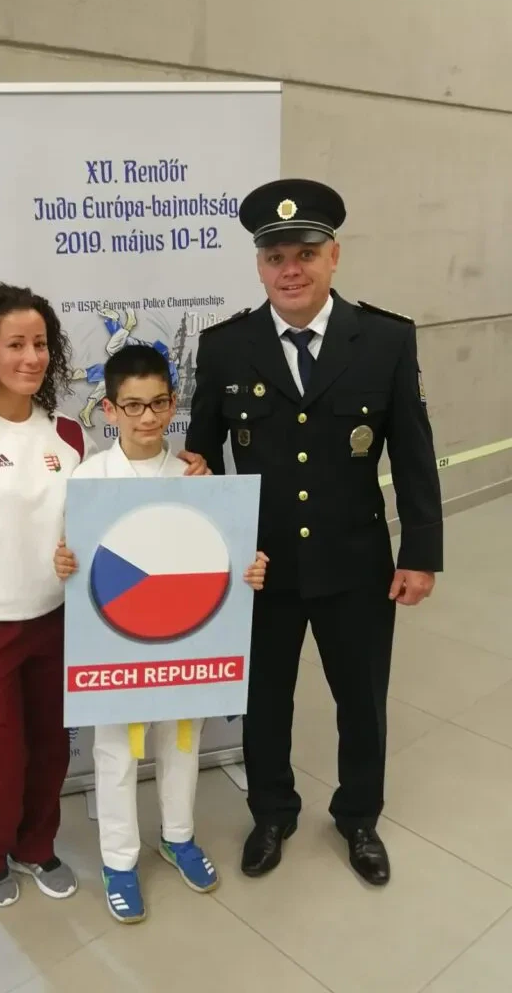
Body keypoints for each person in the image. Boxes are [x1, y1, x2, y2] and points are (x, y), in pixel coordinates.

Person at [0, 283, 209, 909]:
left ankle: (36, 847)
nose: (31, 357)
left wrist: (190, 475)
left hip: (58, 622)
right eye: (15, 344)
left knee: (50, 751)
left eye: (40, 344)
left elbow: (112, 514)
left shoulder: (67, 434)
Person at [185, 179, 443, 887]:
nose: (290, 270)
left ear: (334, 256)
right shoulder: (227, 347)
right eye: (275, 258)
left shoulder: (384, 339)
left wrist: (421, 553)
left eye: (304, 253)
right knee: (265, 700)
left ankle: (358, 815)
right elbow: (201, 458)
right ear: (259, 266)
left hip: (356, 561)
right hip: (260, 565)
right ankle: (272, 811)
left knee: (361, 699)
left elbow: (413, 453)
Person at [54, 344, 268, 923]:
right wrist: (63, 563)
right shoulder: (87, 480)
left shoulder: (195, 477)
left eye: (157, 404)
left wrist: (249, 569)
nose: (147, 417)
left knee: (181, 742)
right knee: (116, 753)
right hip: (117, 640)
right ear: (109, 410)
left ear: (173, 404)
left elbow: (222, 556)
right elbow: (69, 557)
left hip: (181, 637)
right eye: (133, 405)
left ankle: (178, 836)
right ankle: (119, 860)